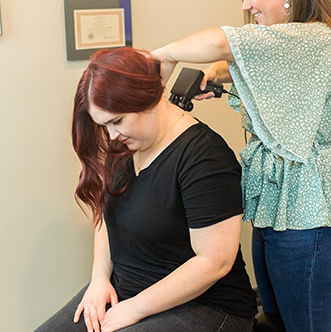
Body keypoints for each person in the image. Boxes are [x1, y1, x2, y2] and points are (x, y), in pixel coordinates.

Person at [151, 0, 331, 332]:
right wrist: (217, 76)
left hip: (312, 211)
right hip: (279, 205)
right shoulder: (286, 45)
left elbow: (224, 42)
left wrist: (163, 55)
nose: (245, 5)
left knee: (302, 325)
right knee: (272, 320)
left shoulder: (314, 36)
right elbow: (241, 64)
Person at [35, 47, 257, 332]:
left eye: (117, 121)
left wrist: (135, 308)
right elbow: (106, 215)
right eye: (103, 125)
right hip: (127, 289)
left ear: (149, 99)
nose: (111, 135)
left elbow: (215, 262)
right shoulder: (125, 146)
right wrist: (99, 279)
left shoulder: (204, 157)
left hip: (205, 305)